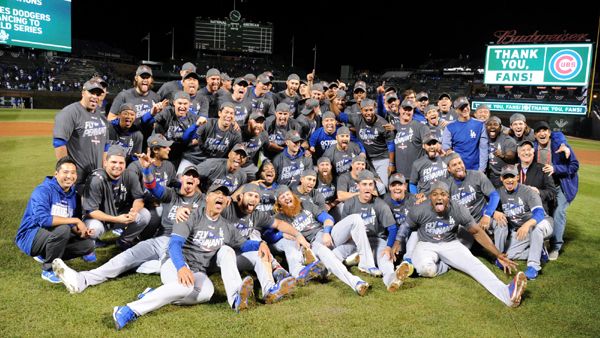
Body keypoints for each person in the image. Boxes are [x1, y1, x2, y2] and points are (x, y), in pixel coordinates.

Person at [111, 183, 266, 330]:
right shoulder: (189, 216)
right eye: (216, 193)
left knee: (207, 293)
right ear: (207, 197)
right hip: (175, 262)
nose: (221, 196)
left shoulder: (226, 227)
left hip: (198, 270)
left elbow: (244, 245)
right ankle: (129, 309)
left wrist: (260, 244)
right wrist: (181, 267)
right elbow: (174, 245)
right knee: (185, 287)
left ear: (226, 202)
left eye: (224, 194)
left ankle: (157, 293)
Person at [52, 162, 204, 293]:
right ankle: (82, 279)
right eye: (188, 175)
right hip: (159, 241)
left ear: (198, 182)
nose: (191, 178)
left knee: (167, 273)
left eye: (194, 176)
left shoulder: (203, 202)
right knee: (125, 257)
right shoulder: (172, 195)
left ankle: (152, 282)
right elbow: (152, 186)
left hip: (180, 247)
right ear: (182, 178)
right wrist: (146, 169)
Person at [396, 181, 527, 307]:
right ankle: (445, 265)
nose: (439, 197)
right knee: (426, 270)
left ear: (449, 197)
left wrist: (498, 254)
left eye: (443, 194)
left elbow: (476, 231)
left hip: (450, 243)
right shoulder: (420, 209)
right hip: (426, 244)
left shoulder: (458, 209)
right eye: (435, 194)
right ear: (430, 197)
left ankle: (507, 294)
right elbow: (406, 226)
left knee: (474, 265)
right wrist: (397, 241)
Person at [272, 186, 371, 295]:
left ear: (292, 195)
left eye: (287, 194)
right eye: (282, 197)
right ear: (279, 203)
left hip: (326, 235)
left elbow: (327, 218)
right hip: (313, 244)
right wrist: (282, 233)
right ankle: (355, 282)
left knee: (355, 219)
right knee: (325, 253)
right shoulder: (279, 217)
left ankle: (365, 264)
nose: (286, 198)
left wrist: (327, 232)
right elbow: (267, 236)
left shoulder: (305, 204)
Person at [222, 183, 310, 303]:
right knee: (229, 250)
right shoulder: (228, 208)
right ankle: (236, 296)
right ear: (240, 196)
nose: (253, 198)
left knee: (261, 252)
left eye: (256, 196)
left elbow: (279, 224)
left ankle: (269, 290)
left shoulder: (256, 214)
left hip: (240, 252)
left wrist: (298, 235)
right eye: (250, 195)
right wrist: (225, 198)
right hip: (223, 256)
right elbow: (208, 207)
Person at [15, 157, 94, 283]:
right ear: (56, 174)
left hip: (52, 234)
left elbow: (71, 223)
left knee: (88, 245)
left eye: (73, 172)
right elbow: (43, 219)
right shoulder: (43, 190)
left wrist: (79, 232)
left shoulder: (74, 195)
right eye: (65, 172)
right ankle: (48, 270)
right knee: (62, 229)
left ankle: (45, 254)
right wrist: (76, 221)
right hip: (30, 236)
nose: (69, 176)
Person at [341, 170, 409, 292]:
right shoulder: (350, 203)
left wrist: (389, 247)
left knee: (386, 259)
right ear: (358, 186)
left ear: (374, 186)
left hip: (376, 240)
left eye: (370, 184)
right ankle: (324, 269)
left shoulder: (380, 204)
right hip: (355, 241)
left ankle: (391, 280)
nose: (367, 187)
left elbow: (392, 228)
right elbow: (344, 228)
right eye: (364, 184)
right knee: (337, 253)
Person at [82, 145, 151, 255]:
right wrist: (116, 219)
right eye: (113, 162)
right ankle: (89, 245)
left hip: (120, 216)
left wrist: (134, 211)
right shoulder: (96, 179)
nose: (117, 166)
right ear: (105, 163)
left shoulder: (129, 175)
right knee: (94, 229)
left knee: (144, 214)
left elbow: (138, 198)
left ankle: (124, 240)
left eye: (121, 163)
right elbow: (91, 212)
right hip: (100, 219)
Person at [495, 165, 554, 280]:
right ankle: (539, 250)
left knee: (536, 228)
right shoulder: (499, 192)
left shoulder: (528, 191)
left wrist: (527, 224)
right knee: (508, 255)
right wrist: (494, 213)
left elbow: (539, 213)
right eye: (506, 177)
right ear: (501, 179)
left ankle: (533, 266)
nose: (509, 180)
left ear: (517, 177)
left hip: (542, 224)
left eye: (512, 176)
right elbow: (485, 208)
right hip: (523, 231)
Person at [533, 121, 578, 260]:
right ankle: (543, 240)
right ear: (535, 135)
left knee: (558, 212)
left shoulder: (559, 145)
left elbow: (574, 165)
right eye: (539, 131)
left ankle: (556, 247)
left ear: (549, 132)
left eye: (545, 130)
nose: (542, 133)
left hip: (561, 186)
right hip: (544, 187)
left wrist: (556, 168)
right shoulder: (533, 148)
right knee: (545, 213)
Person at [53, 80, 109, 185]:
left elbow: (106, 146)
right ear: (83, 93)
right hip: (77, 179)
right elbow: (59, 143)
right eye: (91, 92)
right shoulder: (69, 113)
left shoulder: (102, 117)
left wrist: (104, 167)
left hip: (97, 177)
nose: (95, 97)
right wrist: (68, 172)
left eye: (98, 94)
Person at [443, 152, 500, 248]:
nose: (459, 166)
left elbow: (494, 195)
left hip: (482, 218)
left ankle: (499, 254)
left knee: (501, 223)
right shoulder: (446, 185)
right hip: (465, 225)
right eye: (454, 165)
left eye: (460, 163)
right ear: (449, 169)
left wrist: (488, 214)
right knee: (458, 252)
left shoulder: (477, 175)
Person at [340, 99, 395, 186]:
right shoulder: (357, 118)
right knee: (367, 185)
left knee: (383, 186)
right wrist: (331, 101)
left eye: (371, 110)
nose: (368, 113)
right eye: (366, 110)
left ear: (374, 109)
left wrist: (391, 163)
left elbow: (391, 144)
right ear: (361, 110)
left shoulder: (383, 123)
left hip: (381, 158)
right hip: (366, 160)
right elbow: (340, 116)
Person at [179, 101, 242, 172]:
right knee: (181, 180)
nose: (229, 115)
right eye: (226, 112)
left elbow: (236, 155)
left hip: (211, 166)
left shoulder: (235, 133)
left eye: (231, 113)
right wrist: (196, 128)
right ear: (219, 113)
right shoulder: (207, 124)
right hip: (193, 160)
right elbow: (188, 140)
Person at [442, 97, 488, 171]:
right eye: (461, 107)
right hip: (458, 170)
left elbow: (483, 149)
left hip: (475, 169)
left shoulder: (479, 125)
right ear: (456, 110)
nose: (465, 109)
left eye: (466, 106)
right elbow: (446, 147)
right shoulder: (450, 127)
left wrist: (481, 170)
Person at [516, 140, 557, 214]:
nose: (526, 153)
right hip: (518, 211)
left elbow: (552, 193)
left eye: (529, 150)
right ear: (518, 154)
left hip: (537, 211)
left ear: (533, 153)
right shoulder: (514, 170)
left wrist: (539, 192)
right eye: (523, 150)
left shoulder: (543, 169)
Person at [392, 99, 429, 178]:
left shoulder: (420, 127)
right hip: (399, 175)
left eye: (409, 110)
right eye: (404, 109)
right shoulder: (394, 127)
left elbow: (429, 145)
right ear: (399, 109)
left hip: (417, 175)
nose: (407, 112)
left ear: (413, 111)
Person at [409, 132, 447, 198]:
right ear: (423, 146)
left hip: (443, 196)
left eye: (434, 144)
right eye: (429, 144)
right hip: (425, 198)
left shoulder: (446, 159)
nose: (432, 146)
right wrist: (415, 195)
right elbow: (412, 184)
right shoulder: (417, 163)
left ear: (438, 145)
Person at [486, 116, 517, 188]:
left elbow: (511, 157)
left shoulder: (508, 139)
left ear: (500, 127)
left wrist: (502, 155)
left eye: (495, 124)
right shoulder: (484, 138)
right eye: (489, 124)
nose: (492, 127)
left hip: (503, 176)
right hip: (487, 175)